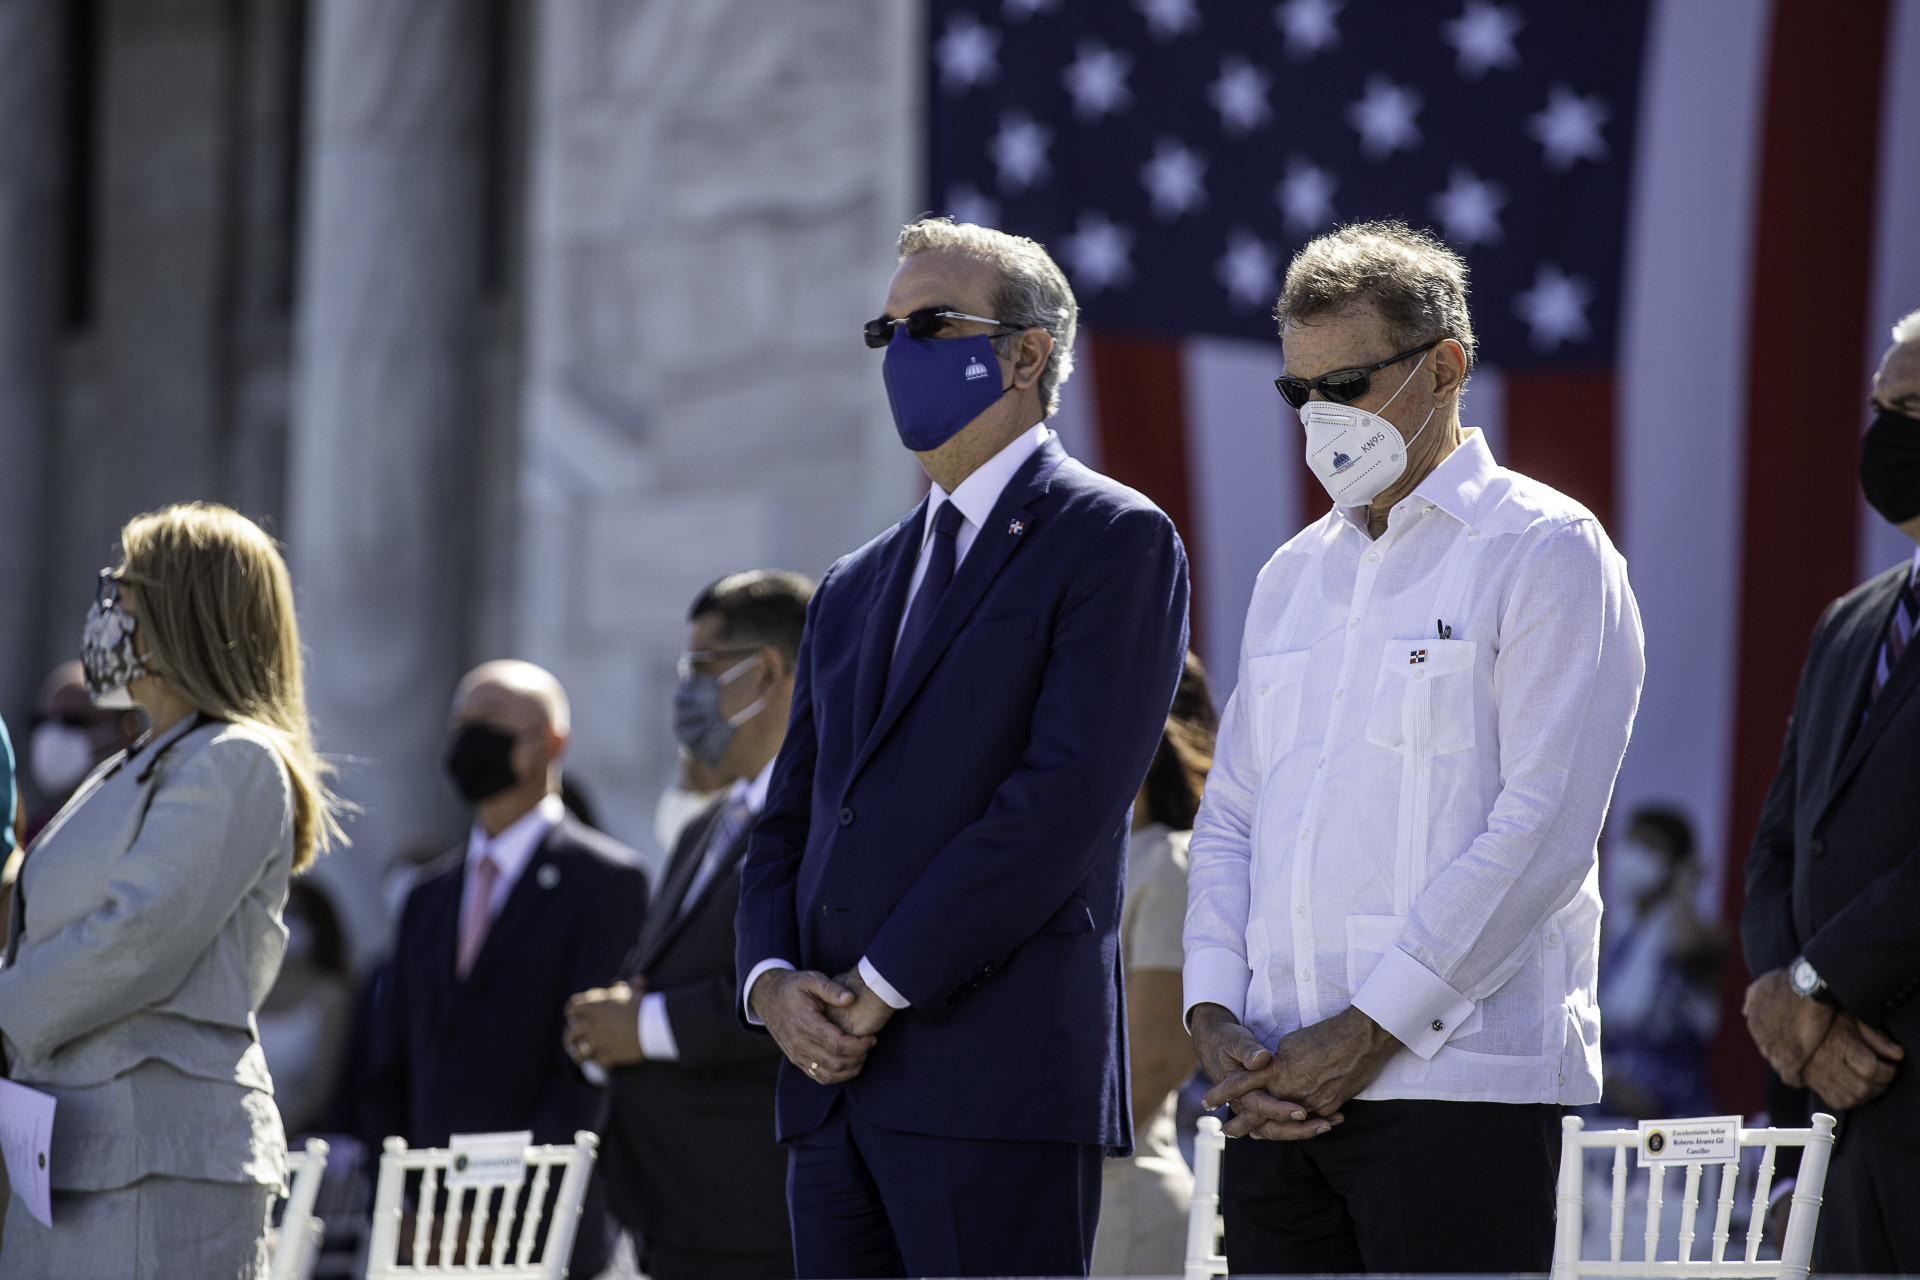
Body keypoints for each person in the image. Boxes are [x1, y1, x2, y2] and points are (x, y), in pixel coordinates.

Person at [1183, 221, 1645, 1274]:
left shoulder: (1545, 548)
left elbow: (1542, 830)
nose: (1322, 417)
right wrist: (1214, 1010)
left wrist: (1368, 1030)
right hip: (1273, 1091)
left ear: (1445, 367)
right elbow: (1233, 817)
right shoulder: (1290, 576)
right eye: (1298, 391)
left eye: (1345, 383)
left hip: (1460, 1092)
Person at [734, 217, 1190, 1279]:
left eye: (931, 324)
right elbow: (792, 815)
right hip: (830, 1095)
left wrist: (881, 983)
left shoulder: (1114, 538)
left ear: (1027, 355)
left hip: (996, 1086)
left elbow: (1059, 803)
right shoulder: (853, 583)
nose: (901, 351)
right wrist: (770, 982)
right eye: (884, 330)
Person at [0, 502, 346, 1277]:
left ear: (179, 611)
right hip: (69, 1153)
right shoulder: (130, 764)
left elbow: (134, 939)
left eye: (124, 589)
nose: (107, 609)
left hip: (160, 1162)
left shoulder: (235, 760)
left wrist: (3, 1008)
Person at [565, 569, 814, 1280]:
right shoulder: (709, 825)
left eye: (702, 667)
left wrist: (645, 1026)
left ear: (767, 673)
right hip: (667, 1214)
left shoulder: (826, 817)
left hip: (754, 1218)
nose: (686, 692)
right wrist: (608, 1023)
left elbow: (807, 990)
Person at [363, 659, 648, 1277]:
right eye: (459, 722)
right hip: (422, 1233)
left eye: (490, 720)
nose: (470, 736)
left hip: (541, 1232)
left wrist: (502, 1211)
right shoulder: (427, 897)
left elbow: (586, 1070)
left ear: (552, 743)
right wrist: (398, 1205)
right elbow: (390, 1066)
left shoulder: (606, 882)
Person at [1741, 307, 1920, 1274]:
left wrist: (1818, 984)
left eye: (1915, 409)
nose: (1889, 432)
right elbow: (1781, 849)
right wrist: (1795, 1035)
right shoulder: (1850, 624)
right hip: (1836, 1133)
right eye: (1882, 408)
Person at [1091, 651, 1214, 1277]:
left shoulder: (1168, 861)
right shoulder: (1090, 865)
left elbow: (1161, 1055)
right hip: (1078, 1196)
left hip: (1119, 1203)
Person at [1595, 806, 1724, 1119]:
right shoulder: (1614, 930)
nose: (1633, 854)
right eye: (1630, 842)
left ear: (1678, 862)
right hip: (1611, 1093)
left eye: (1649, 844)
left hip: (1672, 1101)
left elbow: (1684, 946)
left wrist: (1686, 885)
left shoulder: (1707, 934)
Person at [256, 880, 354, 1137]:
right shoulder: (249, 989)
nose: (288, 922)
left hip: (300, 1141)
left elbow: (321, 1093)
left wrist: (275, 1135)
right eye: (281, 911)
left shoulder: (331, 996)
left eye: (298, 913)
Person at [21, 660, 142, 844]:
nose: (53, 736)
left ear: (127, 729)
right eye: (42, 722)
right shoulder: (28, 840)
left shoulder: (146, 824)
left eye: (72, 721)